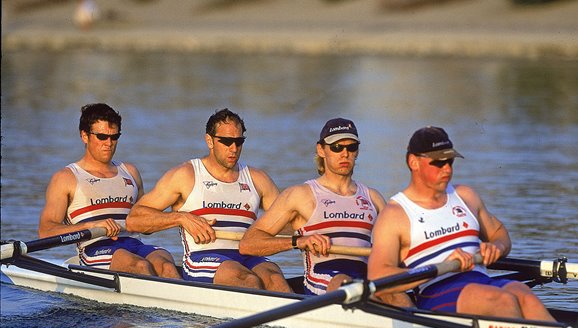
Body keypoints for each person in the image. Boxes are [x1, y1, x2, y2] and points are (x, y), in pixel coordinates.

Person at [367, 126, 555, 321]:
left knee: (523, 293)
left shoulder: (465, 196)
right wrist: (444, 265)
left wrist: (496, 247)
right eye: (438, 163)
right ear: (413, 162)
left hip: (480, 281)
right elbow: (378, 275)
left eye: (449, 161)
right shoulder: (395, 214)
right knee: (502, 301)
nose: (447, 169)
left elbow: (500, 233)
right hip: (436, 291)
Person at [126, 108, 292, 292]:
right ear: (209, 141)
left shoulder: (258, 179)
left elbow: (286, 224)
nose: (233, 149)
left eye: (239, 142)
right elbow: (134, 220)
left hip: (248, 254)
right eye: (226, 142)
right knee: (248, 279)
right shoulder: (186, 175)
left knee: (275, 278)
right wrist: (181, 218)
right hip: (203, 257)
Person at [240, 118, 386, 295]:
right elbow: (248, 244)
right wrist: (298, 242)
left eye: (351, 147)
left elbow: (393, 250)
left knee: (397, 288)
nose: (345, 153)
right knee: (345, 282)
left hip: (364, 276)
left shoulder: (374, 198)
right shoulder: (300, 195)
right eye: (337, 147)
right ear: (321, 150)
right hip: (325, 276)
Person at [39, 103, 180, 279]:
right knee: (140, 265)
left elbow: (145, 226)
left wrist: (178, 214)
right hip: (95, 248)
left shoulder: (130, 172)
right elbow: (45, 231)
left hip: (133, 243)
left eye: (114, 137)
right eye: (102, 137)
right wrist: (90, 226)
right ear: (84, 136)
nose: (109, 143)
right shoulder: (65, 177)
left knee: (166, 265)